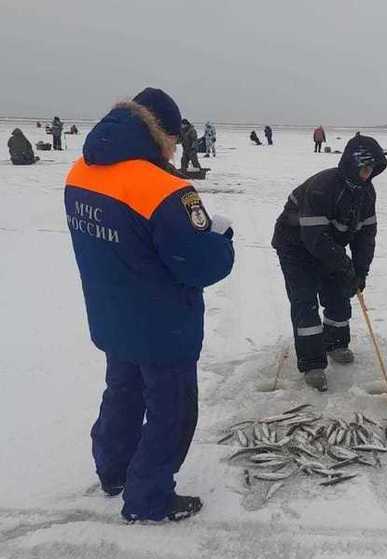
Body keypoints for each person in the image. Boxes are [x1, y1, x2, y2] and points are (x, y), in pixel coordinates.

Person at [64, 87, 234, 522]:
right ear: (163, 134)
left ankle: (114, 470)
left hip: (112, 313)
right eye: (174, 139)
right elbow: (199, 266)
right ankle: (148, 498)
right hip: (162, 325)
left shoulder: (81, 171)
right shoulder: (164, 188)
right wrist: (220, 241)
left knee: (122, 391)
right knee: (170, 411)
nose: (176, 148)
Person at [271, 135, 387, 392]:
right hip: (295, 245)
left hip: (329, 245)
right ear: (351, 164)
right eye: (364, 168)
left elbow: (366, 236)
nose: (367, 174)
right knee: (305, 300)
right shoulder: (323, 186)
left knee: (338, 292)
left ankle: (336, 343)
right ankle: (312, 362)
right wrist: (344, 265)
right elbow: (314, 238)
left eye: (372, 169)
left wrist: (360, 271)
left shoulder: (366, 192)